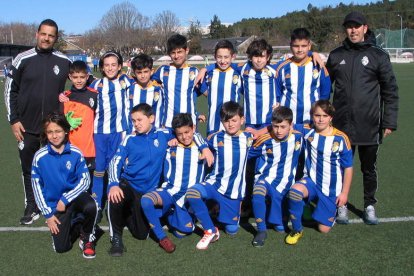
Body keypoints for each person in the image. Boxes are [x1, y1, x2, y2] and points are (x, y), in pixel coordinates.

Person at [107, 103, 209, 257]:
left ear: (152, 118)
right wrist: (114, 184)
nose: (136, 124)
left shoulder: (164, 133)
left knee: (141, 235)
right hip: (129, 185)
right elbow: (115, 161)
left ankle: (129, 212)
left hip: (149, 191)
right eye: (133, 121)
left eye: (140, 120)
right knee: (116, 196)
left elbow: (189, 131)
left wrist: (205, 148)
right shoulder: (129, 138)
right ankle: (116, 239)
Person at [326, 11, 399, 225]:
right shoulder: (336, 55)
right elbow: (324, 87)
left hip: (369, 124)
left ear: (365, 28)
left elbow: (390, 90)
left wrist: (389, 121)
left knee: (368, 168)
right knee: (339, 167)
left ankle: (369, 205)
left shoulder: (378, 55)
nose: (353, 30)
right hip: (340, 125)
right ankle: (341, 206)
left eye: (357, 26)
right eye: (349, 26)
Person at [4, 19, 71, 225]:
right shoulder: (22, 59)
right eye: (44, 34)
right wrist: (14, 120)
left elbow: (81, 81)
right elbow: (10, 91)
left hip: (53, 129)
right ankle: (31, 205)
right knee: (28, 168)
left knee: (55, 167)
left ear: (55, 38)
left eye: (51, 35)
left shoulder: (64, 61)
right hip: (27, 127)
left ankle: (54, 204)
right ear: (37, 34)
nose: (46, 38)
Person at [31, 112, 101, 258]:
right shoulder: (39, 157)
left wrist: (66, 199)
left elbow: (85, 180)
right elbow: (37, 187)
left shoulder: (75, 152)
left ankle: (87, 237)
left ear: (66, 131)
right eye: (50, 132)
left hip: (73, 199)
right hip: (55, 206)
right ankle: (78, 222)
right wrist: (48, 215)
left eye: (58, 131)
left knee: (92, 205)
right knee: (62, 248)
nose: (54, 136)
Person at [186, 101, 253, 250]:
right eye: (226, 121)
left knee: (231, 230)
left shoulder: (249, 138)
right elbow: (195, 134)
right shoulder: (215, 138)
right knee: (192, 193)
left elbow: (270, 134)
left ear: (242, 120)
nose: (230, 124)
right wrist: (205, 149)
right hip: (214, 185)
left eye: (234, 120)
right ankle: (210, 230)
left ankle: (216, 210)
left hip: (233, 193)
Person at [284, 100, 353, 245]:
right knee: (295, 192)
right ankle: (297, 229)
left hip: (330, 189)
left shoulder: (341, 138)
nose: (321, 119)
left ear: (331, 118)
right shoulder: (307, 129)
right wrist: (257, 132)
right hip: (312, 182)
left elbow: (348, 168)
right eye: (317, 115)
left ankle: (322, 211)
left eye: (325, 115)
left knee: (323, 229)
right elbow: (285, 125)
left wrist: (344, 193)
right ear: (312, 116)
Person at [141, 113, 205, 253]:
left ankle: (169, 214)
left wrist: (205, 148)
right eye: (180, 134)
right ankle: (162, 237)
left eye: (187, 132)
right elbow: (155, 133)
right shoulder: (170, 145)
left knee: (184, 231)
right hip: (169, 191)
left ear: (193, 128)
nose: (184, 137)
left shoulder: (203, 147)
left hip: (188, 197)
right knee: (146, 201)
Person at [249, 106, 303, 247]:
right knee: (258, 191)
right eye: (275, 126)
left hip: (286, 183)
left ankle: (281, 215)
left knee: (280, 227)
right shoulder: (264, 140)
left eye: (283, 126)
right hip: (265, 179)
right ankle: (261, 231)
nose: (278, 130)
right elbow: (246, 154)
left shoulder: (299, 136)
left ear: (291, 125)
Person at [89, 51, 132, 213]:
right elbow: (80, 95)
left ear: (120, 66)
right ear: (101, 67)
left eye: (114, 64)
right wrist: (64, 96)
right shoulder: (96, 84)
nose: (110, 68)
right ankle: (97, 205)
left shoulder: (126, 81)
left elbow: (148, 80)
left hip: (119, 133)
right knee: (99, 169)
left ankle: (115, 205)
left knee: (117, 169)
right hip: (99, 134)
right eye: (106, 65)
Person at [275, 28, 331, 125]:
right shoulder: (282, 67)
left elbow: (325, 94)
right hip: (288, 122)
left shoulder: (319, 65)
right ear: (291, 46)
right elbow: (277, 94)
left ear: (309, 46)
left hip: (312, 121)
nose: (300, 49)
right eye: (296, 46)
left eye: (303, 46)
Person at [152, 34, 202, 128]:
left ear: (186, 50)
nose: (176, 56)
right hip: (168, 125)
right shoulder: (162, 70)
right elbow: (147, 81)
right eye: (173, 53)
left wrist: (206, 69)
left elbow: (206, 91)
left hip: (189, 125)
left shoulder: (195, 72)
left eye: (179, 52)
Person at [61, 60, 98, 181]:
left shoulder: (94, 95)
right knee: (71, 182)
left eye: (82, 77)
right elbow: (58, 123)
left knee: (89, 183)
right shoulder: (66, 97)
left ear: (87, 76)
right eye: (75, 77)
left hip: (89, 150)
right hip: (71, 150)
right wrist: (66, 123)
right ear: (70, 77)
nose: (79, 80)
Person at [199, 39, 242, 136]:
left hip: (233, 128)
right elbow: (202, 88)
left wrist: (206, 67)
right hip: (213, 126)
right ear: (215, 57)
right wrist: (205, 69)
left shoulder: (238, 74)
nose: (223, 61)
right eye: (219, 57)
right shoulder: (209, 74)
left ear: (233, 57)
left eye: (226, 57)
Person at [128, 53, 164, 129]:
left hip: (153, 132)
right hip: (134, 132)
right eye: (139, 72)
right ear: (134, 73)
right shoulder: (130, 88)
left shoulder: (159, 89)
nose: (143, 75)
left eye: (145, 71)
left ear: (151, 71)